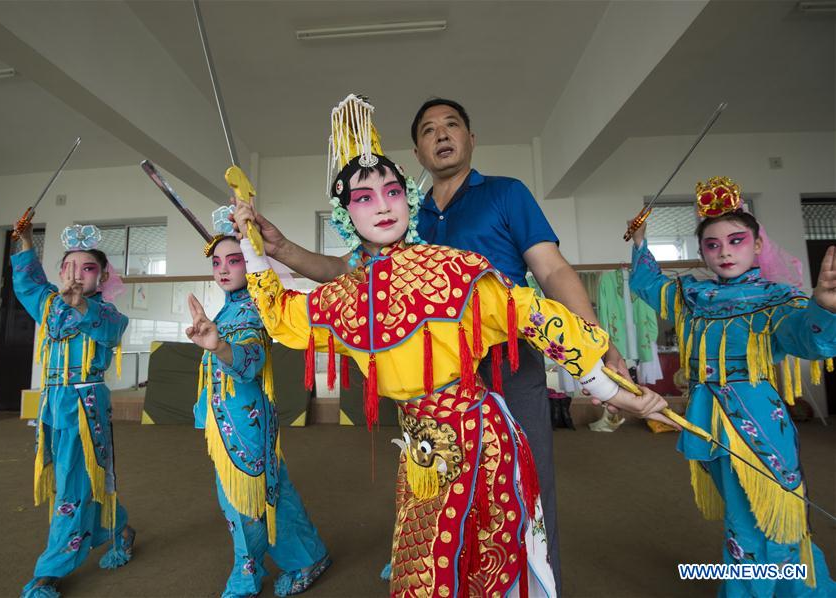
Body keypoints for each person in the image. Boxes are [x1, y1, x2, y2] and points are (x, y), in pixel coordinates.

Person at [236, 95, 672, 597]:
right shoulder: (350, 294)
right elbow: (285, 314)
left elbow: (537, 309)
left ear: (409, 197)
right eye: (363, 197)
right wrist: (256, 248)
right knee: (425, 568)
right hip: (420, 444)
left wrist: (610, 386)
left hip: (487, 419)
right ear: (345, 217)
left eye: (392, 191)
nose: (382, 204)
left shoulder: (457, 265)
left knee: (505, 546)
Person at [629, 176, 836, 595]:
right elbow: (649, 285)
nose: (724, 251)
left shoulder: (778, 298)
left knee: (769, 516)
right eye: (712, 244)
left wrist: (823, 307)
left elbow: (807, 338)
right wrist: (640, 241)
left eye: (736, 240)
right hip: (709, 420)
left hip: (759, 421)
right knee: (740, 517)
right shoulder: (693, 296)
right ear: (702, 250)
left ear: (758, 245)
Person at [184, 211, 330, 597]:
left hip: (246, 426)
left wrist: (220, 346)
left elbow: (250, 363)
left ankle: (246, 575)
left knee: (243, 500)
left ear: (251, 263)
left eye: (235, 260)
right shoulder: (229, 308)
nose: (223, 269)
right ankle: (309, 555)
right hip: (230, 422)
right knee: (272, 491)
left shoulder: (255, 309)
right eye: (217, 262)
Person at [12, 222, 134, 597]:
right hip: (52, 406)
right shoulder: (47, 304)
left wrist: (80, 303)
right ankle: (117, 528)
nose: (76, 275)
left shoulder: (108, 312)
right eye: (69, 267)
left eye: (88, 268)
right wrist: (26, 239)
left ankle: (51, 570)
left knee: (72, 484)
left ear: (103, 276)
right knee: (68, 475)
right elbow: (26, 281)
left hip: (86, 405)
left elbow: (110, 333)